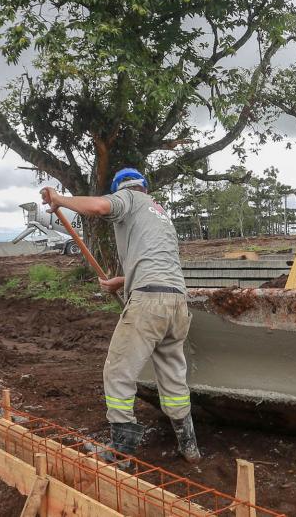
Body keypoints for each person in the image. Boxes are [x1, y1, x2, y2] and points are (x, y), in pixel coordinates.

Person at [40, 168, 201, 466]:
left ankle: (121, 453)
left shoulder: (128, 198)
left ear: (122, 188)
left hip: (148, 303)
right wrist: (120, 282)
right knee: (173, 377)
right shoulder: (160, 214)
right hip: (177, 302)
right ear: (145, 186)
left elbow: (100, 207)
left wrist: (60, 199)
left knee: (117, 372)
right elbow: (155, 262)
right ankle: (189, 446)